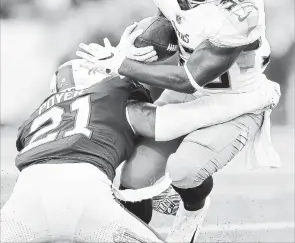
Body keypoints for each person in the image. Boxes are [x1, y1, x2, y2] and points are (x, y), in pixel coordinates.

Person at [76, 0, 281, 242]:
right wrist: (149, 47)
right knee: (133, 183)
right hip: (189, 97)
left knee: (185, 171)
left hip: (236, 102)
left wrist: (120, 64)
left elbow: (189, 78)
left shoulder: (241, 11)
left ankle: (193, 208)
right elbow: (174, 23)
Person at [1, 46, 277, 243]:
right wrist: (254, 98)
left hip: (23, 204)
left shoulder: (35, 118)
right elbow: (181, 119)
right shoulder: (110, 96)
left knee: (130, 182)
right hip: (87, 203)